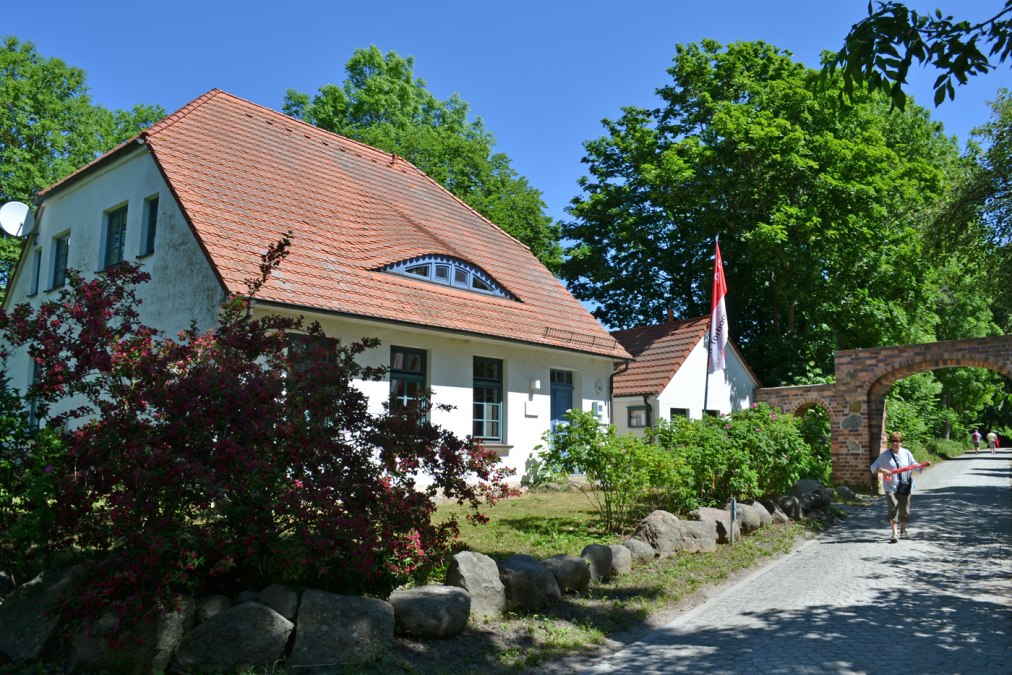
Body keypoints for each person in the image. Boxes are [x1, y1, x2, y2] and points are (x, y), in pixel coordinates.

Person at [870, 431, 931, 543]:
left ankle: (903, 530)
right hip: (891, 487)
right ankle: (894, 534)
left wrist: (923, 465)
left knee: (905, 511)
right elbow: (873, 467)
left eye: (897, 441)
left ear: (901, 442)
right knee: (893, 508)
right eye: (893, 441)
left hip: (905, 486)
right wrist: (883, 470)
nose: (895, 443)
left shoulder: (906, 453)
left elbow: (915, 466)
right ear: (890, 443)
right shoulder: (885, 455)